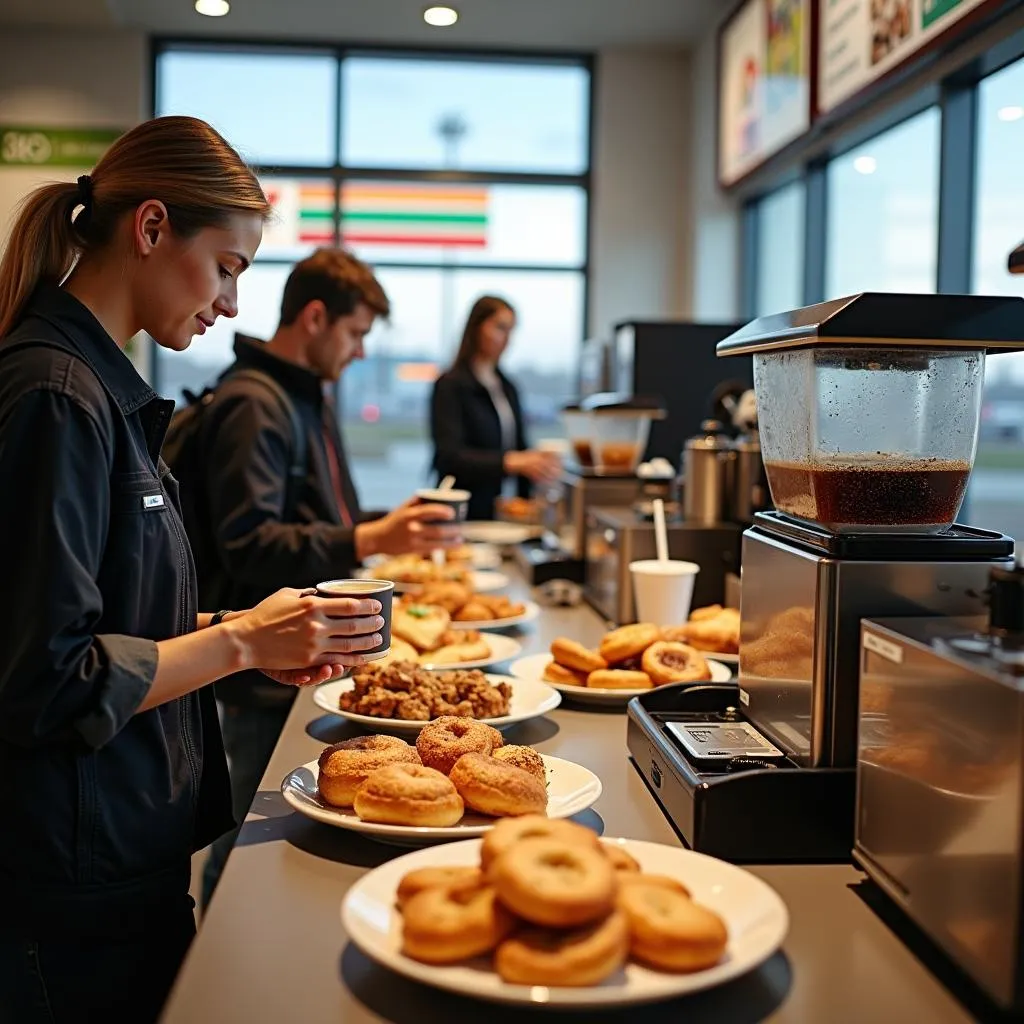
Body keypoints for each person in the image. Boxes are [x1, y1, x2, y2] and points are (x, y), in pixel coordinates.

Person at [0, 116, 385, 1024]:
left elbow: (113, 624)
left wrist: (239, 641)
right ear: (150, 228)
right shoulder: (55, 397)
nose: (231, 304)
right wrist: (241, 639)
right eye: (228, 269)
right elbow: (43, 680)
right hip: (71, 883)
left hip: (123, 853)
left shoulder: (97, 389)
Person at [190, 248, 460, 905]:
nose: (361, 351)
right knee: (252, 849)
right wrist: (368, 537)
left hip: (300, 654)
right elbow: (252, 546)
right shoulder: (256, 403)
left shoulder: (302, 395)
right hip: (263, 669)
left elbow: (317, 515)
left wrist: (378, 525)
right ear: (315, 317)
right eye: (356, 333)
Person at [430, 295, 561, 521]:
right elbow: (450, 457)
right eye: (500, 328)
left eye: (511, 330)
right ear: (476, 328)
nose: (507, 339)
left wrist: (532, 485)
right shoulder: (451, 386)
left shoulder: (507, 387)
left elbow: (519, 446)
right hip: (465, 513)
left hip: (503, 514)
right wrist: (510, 462)